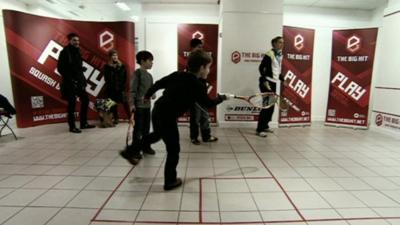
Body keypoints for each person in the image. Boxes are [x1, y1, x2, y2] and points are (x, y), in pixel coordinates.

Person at [120, 50, 229, 190]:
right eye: (208, 67)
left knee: (156, 135)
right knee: (174, 149)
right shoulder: (197, 85)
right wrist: (221, 98)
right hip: (167, 116)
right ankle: (170, 181)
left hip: (158, 110)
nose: (208, 70)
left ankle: (129, 150)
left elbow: (159, 83)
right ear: (202, 68)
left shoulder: (179, 74)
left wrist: (147, 95)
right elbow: (207, 104)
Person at [57, 33, 95, 133]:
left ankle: (83, 123)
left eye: (78, 40)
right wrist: (70, 79)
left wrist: (81, 69)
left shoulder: (78, 51)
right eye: (74, 40)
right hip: (69, 83)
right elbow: (60, 68)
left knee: (85, 100)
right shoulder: (64, 52)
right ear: (69, 41)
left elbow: (75, 66)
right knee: (72, 104)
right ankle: (72, 126)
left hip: (79, 81)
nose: (77, 42)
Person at [188, 38, 218, 145]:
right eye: (199, 47)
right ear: (193, 48)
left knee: (205, 115)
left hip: (202, 90)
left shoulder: (202, 58)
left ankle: (206, 136)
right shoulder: (192, 59)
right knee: (195, 117)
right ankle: (194, 137)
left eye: (202, 47)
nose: (201, 49)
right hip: (194, 93)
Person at [127, 50, 156, 158]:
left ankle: (146, 147)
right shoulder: (137, 73)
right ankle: (135, 150)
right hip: (139, 106)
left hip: (147, 106)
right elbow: (132, 90)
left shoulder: (149, 76)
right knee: (138, 129)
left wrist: (153, 95)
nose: (152, 63)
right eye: (150, 61)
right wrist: (131, 104)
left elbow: (151, 90)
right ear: (143, 61)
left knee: (146, 129)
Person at [256, 36, 284, 137]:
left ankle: (265, 126)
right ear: (274, 44)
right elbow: (261, 68)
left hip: (273, 82)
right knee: (267, 106)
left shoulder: (279, 55)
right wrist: (264, 80)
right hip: (266, 82)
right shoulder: (269, 54)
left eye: (282, 42)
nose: (282, 44)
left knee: (271, 106)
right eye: (280, 42)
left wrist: (282, 79)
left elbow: (276, 70)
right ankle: (259, 129)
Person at [103, 49, 131, 124]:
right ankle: (116, 118)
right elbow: (106, 78)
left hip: (121, 89)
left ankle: (130, 118)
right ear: (110, 57)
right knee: (113, 104)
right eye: (113, 55)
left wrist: (124, 87)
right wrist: (110, 87)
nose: (115, 57)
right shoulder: (107, 67)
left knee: (125, 103)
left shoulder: (122, 66)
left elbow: (125, 78)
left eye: (116, 55)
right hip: (111, 89)